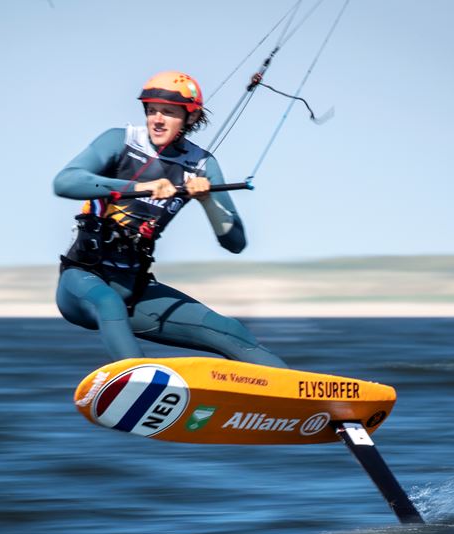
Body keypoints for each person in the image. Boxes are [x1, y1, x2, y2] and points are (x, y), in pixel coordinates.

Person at [53, 71, 286, 368]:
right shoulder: (120, 142)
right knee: (108, 303)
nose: (157, 119)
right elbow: (65, 182)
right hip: (83, 281)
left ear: (191, 117)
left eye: (168, 112)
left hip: (135, 290)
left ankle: (311, 406)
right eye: (151, 111)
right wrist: (139, 188)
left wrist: (207, 201)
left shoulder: (201, 164)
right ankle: (143, 384)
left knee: (230, 330)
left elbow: (235, 242)